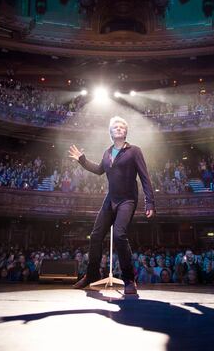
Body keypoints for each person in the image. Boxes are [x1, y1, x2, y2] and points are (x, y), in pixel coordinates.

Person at [69, 116, 155, 294]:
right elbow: (99, 170)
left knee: (119, 235)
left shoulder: (134, 151)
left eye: (122, 126)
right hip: (111, 199)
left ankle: (129, 279)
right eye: (115, 126)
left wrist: (149, 201)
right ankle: (91, 275)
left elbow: (145, 177)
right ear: (110, 132)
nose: (119, 128)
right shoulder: (107, 153)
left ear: (126, 132)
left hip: (128, 199)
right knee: (95, 235)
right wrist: (82, 160)